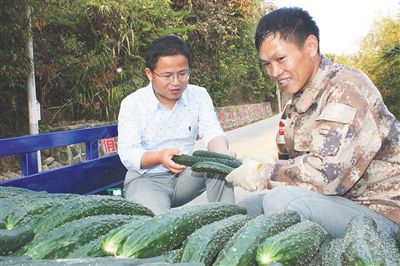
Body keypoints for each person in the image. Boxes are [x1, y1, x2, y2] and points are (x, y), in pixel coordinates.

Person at [225, 7, 399, 237]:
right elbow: (292, 164)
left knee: (283, 203)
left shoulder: (345, 87)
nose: (274, 72)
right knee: (248, 208)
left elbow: (327, 175)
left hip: (381, 213)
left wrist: (262, 172)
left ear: (310, 46)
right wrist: (259, 166)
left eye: (280, 59)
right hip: (340, 203)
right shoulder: (297, 101)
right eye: (266, 64)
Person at [118, 35, 235, 215]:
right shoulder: (133, 104)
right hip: (147, 180)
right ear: (149, 74)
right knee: (158, 231)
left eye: (183, 74)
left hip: (187, 176)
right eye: (167, 75)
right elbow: (128, 153)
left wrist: (222, 152)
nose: (176, 82)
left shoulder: (199, 95)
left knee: (220, 164)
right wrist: (159, 156)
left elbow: (212, 130)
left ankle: (228, 222)